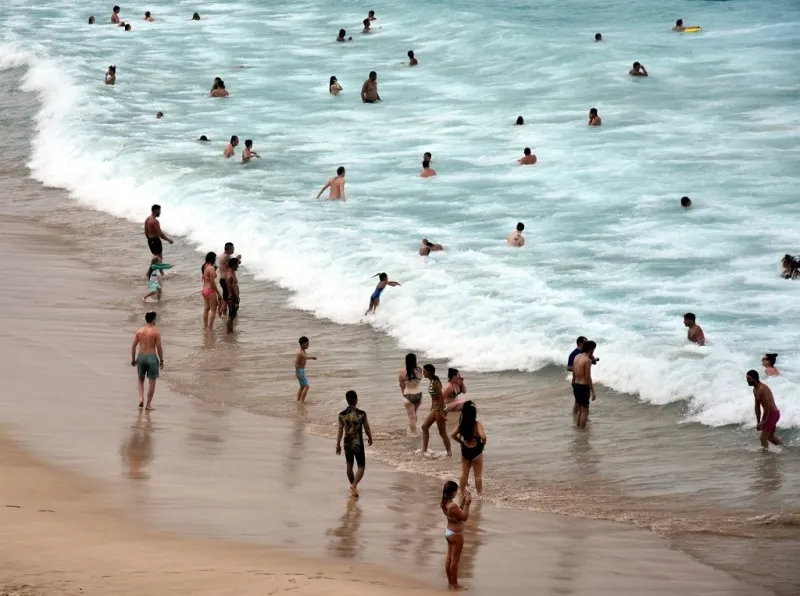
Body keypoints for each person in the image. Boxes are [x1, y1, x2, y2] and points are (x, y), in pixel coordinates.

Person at [336, 390, 373, 497]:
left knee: (349, 466)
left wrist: (338, 444)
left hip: (347, 443)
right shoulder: (361, 414)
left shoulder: (342, 415)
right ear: (356, 400)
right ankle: (354, 484)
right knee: (361, 466)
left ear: (347, 400)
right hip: (358, 443)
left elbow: (340, 430)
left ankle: (354, 487)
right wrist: (370, 437)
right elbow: (367, 428)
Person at [450, 401, 486, 496]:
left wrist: (461, 442)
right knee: (477, 475)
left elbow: (452, 435)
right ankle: (480, 494)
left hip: (465, 450)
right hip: (476, 451)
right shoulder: (477, 424)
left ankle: (462, 492)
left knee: (464, 473)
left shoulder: (461, 425)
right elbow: (483, 437)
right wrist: (483, 445)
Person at [441, 480, 471, 590]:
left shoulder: (444, 503)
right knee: (455, 560)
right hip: (456, 534)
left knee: (449, 559)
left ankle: (450, 582)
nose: (456, 493)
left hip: (449, 532)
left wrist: (463, 503)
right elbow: (464, 517)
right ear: (452, 492)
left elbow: (457, 514)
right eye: (456, 491)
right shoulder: (452, 506)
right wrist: (467, 504)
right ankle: (455, 584)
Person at [131, 311, 163, 410]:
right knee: (151, 382)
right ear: (153, 320)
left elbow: (133, 347)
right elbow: (159, 348)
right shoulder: (156, 332)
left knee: (140, 380)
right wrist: (161, 360)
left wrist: (133, 360)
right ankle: (148, 405)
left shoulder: (139, 331)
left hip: (141, 357)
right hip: (152, 357)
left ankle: (141, 398)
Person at [421, 364, 452, 456]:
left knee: (442, 432)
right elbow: (433, 397)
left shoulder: (435, 382)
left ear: (429, 372)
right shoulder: (431, 381)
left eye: (424, 371)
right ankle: (424, 450)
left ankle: (449, 453)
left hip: (440, 409)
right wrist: (432, 407)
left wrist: (442, 411)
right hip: (435, 409)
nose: (423, 373)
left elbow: (441, 397)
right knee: (424, 427)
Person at [747, 370, 783, 450]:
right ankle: (785, 449)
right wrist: (758, 422)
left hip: (772, 413)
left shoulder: (762, 389)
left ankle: (766, 458)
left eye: (749, 379)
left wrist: (763, 422)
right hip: (770, 413)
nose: (747, 381)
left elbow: (767, 408)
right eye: (747, 378)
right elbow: (757, 407)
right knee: (770, 437)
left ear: (755, 378)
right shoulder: (755, 390)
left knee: (762, 438)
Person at [572, 340, 596, 428]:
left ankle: (578, 430)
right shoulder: (587, 360)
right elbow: (588, 377)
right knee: (585, 411)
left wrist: (573, 381)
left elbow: (574, 371)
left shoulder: (577, 356)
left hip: (576, 385)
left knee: (581, 411)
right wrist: (593, 391)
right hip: (583, 387)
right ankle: (582, 433)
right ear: (591, 350)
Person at [398, 353, 424, 435]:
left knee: (411, 417)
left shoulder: (402, 372)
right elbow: (419, 380)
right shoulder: (420, 370)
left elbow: (401, 386)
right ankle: (414, 430)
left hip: (408, 395)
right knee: (414, 413)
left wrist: (404, 395)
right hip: (419, 395)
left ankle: (414, 434)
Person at [201, 252, 222, 331]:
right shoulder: (211, 268)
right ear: (212, 259)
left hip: (204, 290)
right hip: (210, 290)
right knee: (213, 310)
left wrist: (215, 269)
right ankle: (210, 328)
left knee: (206, 309)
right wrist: (218, 293)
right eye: (215, 258)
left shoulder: (205, 266)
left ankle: (205, 326)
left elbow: (207, 277)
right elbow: (213, 283)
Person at [295, 336, 317, 402]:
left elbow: (305, 357)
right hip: (300, 371)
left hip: (301, 371)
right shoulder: (300, 353)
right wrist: (298, 373)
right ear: (302, 344)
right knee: (307, 387)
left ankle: (298, 400)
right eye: (306, 344)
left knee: (302, 387)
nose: (308, 345)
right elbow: (296, 363)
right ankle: (302, 401)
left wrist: (312, 358)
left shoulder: (303, 351)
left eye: (308, 344)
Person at [225, 258, 240, 334]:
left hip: (231, 298)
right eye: (237, 265)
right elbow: (233, 290)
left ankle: (230, 332)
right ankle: (229, 334)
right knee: (231, 317)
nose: (238, 266)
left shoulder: (229, 272)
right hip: (232, 299)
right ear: (234, 265)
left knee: (232, 316)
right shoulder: (230, 276)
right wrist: (236, 301)